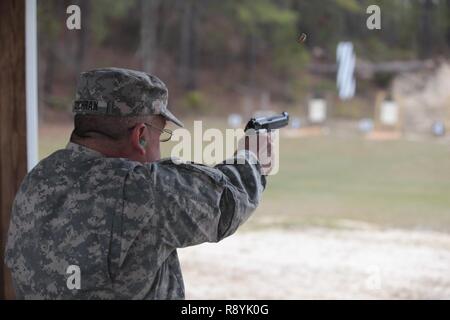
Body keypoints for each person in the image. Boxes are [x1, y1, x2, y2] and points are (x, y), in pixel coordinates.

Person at [5, 67, 273, 299]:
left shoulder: (39, 178)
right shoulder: (139, 188)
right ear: (141, 136)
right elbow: (228, 203)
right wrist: (251, 158)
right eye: (161, 133)